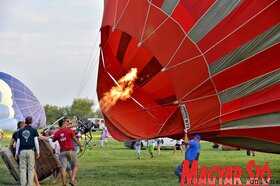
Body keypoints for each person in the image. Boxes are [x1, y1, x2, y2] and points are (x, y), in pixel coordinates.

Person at [52, 118, 83, 186]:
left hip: (62, 152)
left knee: (63, 168)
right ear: (63, 123)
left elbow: (53, 140)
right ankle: (72, 180)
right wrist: (81, 146)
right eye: (66, 122)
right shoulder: (69, 130)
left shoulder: (57, 132)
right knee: (75, 165)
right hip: (71, 151)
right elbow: (75, 139)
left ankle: (64, 184)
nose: (67, 123)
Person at [15, 116, 40, 186]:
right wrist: (38, 151)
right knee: (31, 169)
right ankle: (29, 184)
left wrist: (16, 153)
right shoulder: (34, 130)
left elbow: (18, 143)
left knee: (22, 169)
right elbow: (36, 142)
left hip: (22, 151)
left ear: (25, 122)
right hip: (31, 151)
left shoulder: (20, 131)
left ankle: (23, 184)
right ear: (31, 122)